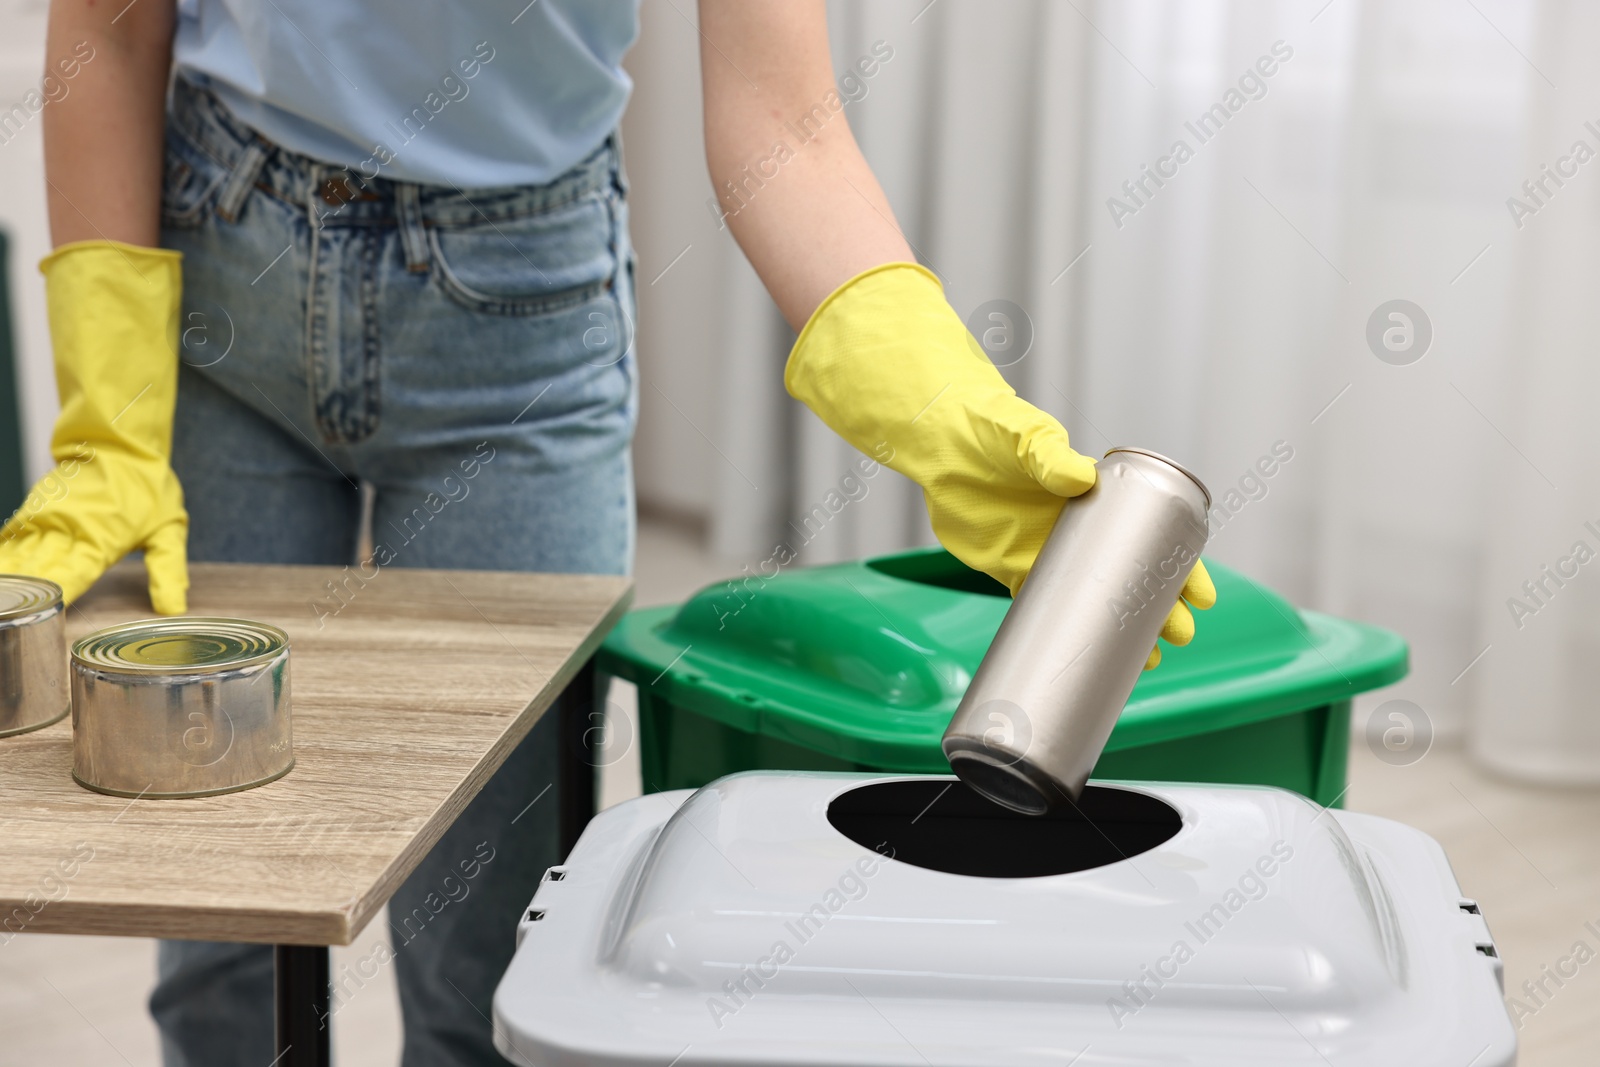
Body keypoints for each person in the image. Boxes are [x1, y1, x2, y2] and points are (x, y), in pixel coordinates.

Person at [0, 1, 1215, 1064]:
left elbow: (781, 124)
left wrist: (947, 409)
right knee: (214, 906)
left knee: (499, 944)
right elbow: (108, 20)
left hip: (517, 321)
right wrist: (111, 420)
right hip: (217, 281)